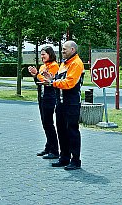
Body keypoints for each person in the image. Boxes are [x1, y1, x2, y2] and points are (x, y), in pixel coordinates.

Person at [43, 40, 84, 170]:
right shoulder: (64, 64)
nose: (62, 51)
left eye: (65, 49)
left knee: (72, 131)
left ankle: (75, 160)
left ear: (73, 49)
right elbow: (60, 80)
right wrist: (52, 79)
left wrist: (53, 83)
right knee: (61, 130)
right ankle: (64, 157)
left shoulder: (76, 63)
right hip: (60, 102)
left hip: (71, 103)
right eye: (62, 49)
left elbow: (70, 83)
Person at [28, 46, 60, 159]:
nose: (42, 57)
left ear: (50, 54)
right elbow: (39, 81)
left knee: (48, 123)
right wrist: (34, 75)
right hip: (42, 96)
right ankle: (48, 146)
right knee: (45, 123)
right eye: (41, 55)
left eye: (44, 54)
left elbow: (47, 81)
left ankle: (55, 150)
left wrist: (37, 74)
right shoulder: (43, 66)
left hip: (50, 97)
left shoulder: (54, 66)